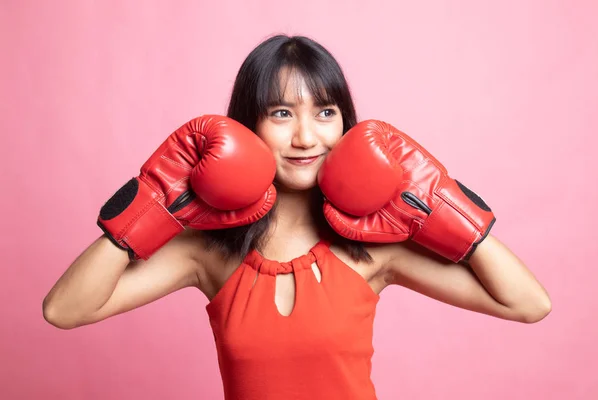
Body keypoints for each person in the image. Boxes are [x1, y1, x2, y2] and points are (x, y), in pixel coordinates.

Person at [43, 35, 552, 399]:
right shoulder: (208, 248)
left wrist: (444, 205)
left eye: (325, 112)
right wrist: (151, 203)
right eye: (282, 113)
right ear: (247, 127)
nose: (307, 137)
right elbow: (64, 310)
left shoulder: (375, 246)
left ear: (346, 123)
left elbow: (528, 304)